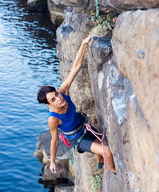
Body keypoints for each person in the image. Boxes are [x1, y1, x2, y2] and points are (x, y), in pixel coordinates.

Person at [37, 35, 116, 175]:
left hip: (84, 126)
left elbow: (75, 67)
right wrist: (53, 161)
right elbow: (54, 141)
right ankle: (114, 171)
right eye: (53, 100)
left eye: (56, 94)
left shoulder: (63, 92)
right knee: (107, 151)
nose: (58, 99)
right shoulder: (52, 119)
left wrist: (84, 43)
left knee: (99, 144)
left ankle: (100, 161)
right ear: (49, 105)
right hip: (77, 139)